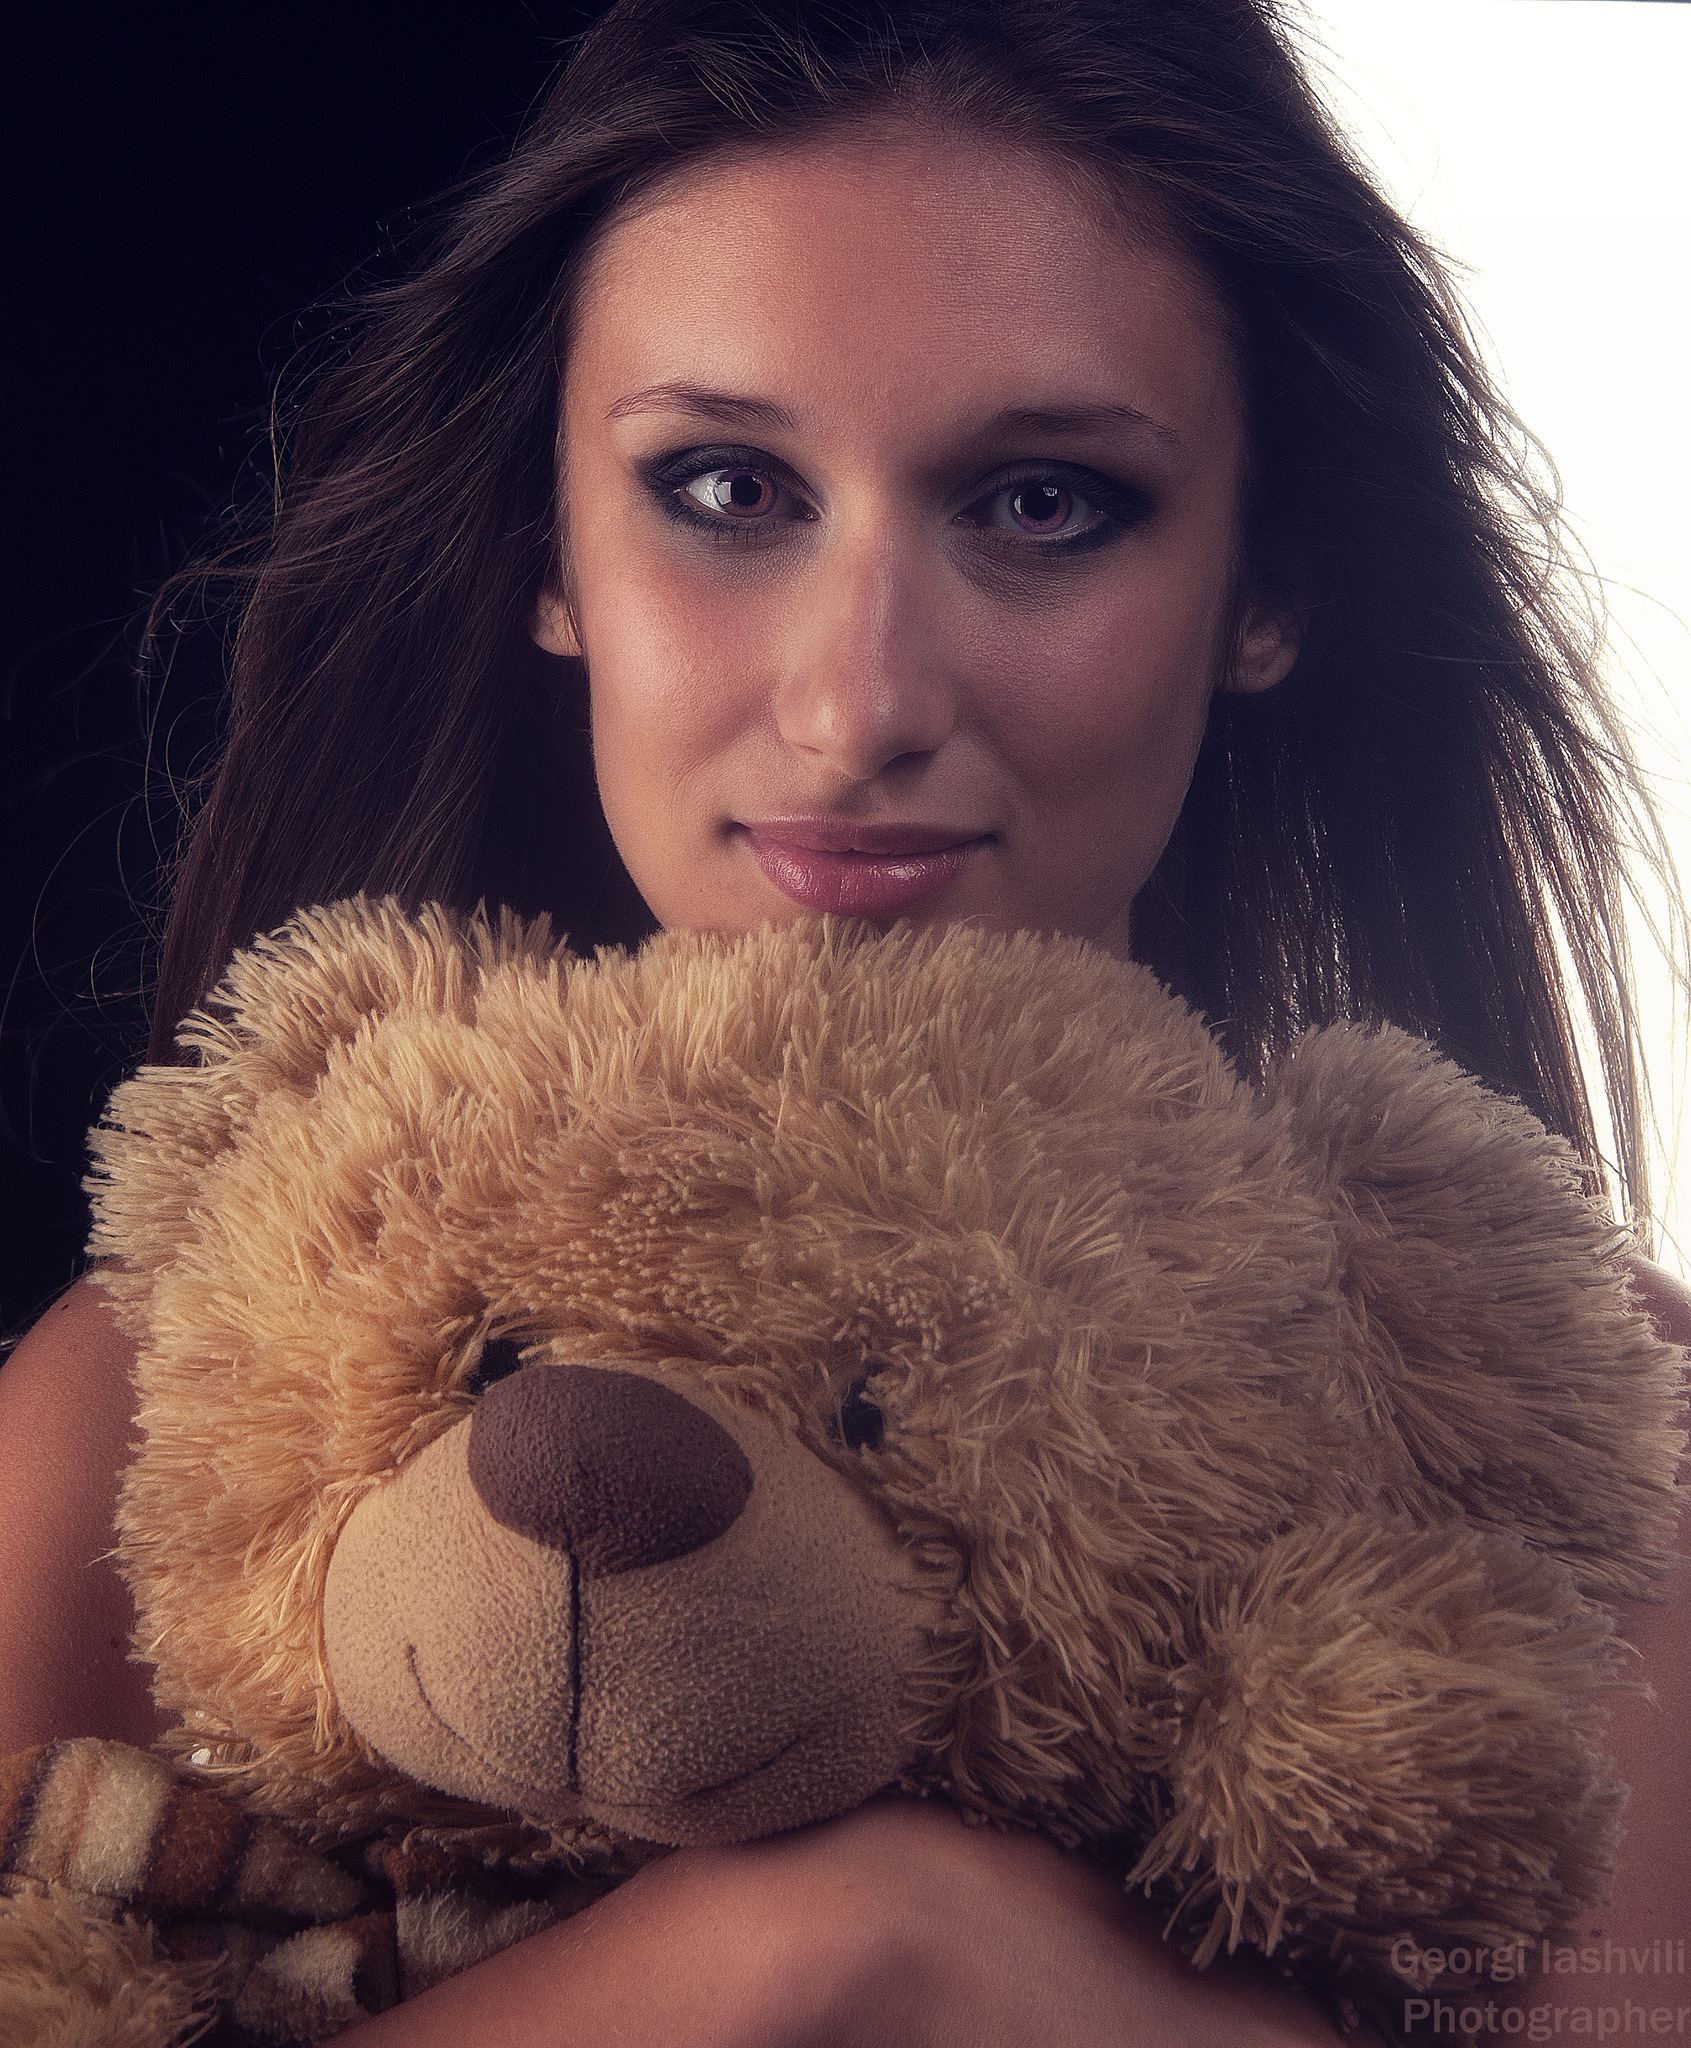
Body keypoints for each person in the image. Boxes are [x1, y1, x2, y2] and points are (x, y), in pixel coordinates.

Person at [1, 0, 1684, 2040]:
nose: (857, 702)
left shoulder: (1581, 1447)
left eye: (1044, 504)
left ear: (1269, 587)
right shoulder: (187, 1383)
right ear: (551, 551)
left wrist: (958, 1963)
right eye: (725, 487)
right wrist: (806, 1948)